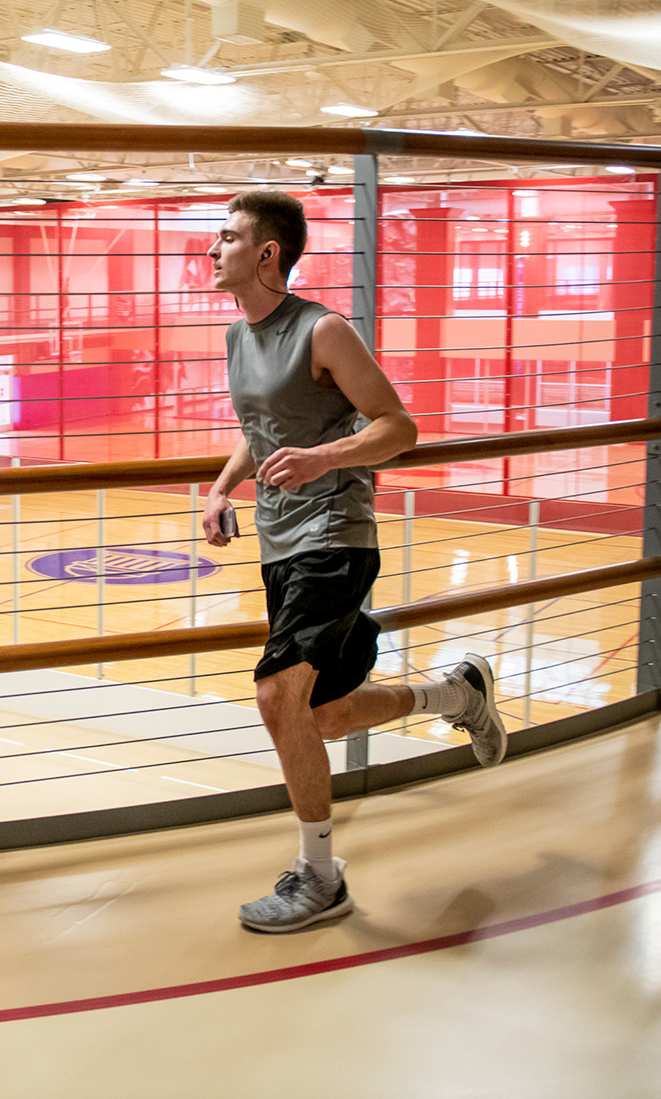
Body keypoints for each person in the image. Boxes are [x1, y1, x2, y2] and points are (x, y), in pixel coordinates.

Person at [201, 190, 506, 934]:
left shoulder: (324, 329)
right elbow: (264, 425)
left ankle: (320, 878)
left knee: (277, 698)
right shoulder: (240, 337)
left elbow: (399, 427)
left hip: (335, 536)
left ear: (267, 253)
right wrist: (220, 486)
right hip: (280, 543)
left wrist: (321, 460)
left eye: (228, 237)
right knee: (322, 713)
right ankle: (456, 695)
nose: (214, 250)